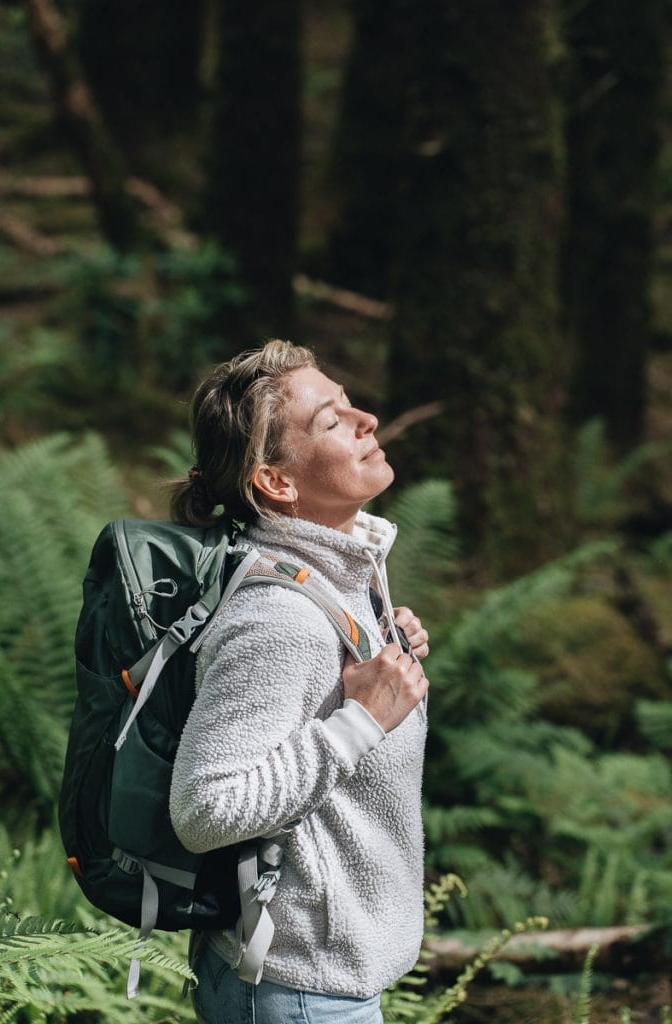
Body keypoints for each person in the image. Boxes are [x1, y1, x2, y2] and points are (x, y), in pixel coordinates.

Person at [169, 339, 429, 1024]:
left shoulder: (336, 575)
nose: (367, 420)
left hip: (315, 977)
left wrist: (384, 655)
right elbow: (205, 808)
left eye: (350, 405)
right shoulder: (279, 617)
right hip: (298, 987)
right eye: (332, 420)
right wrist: (361, 720)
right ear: (276, 482)